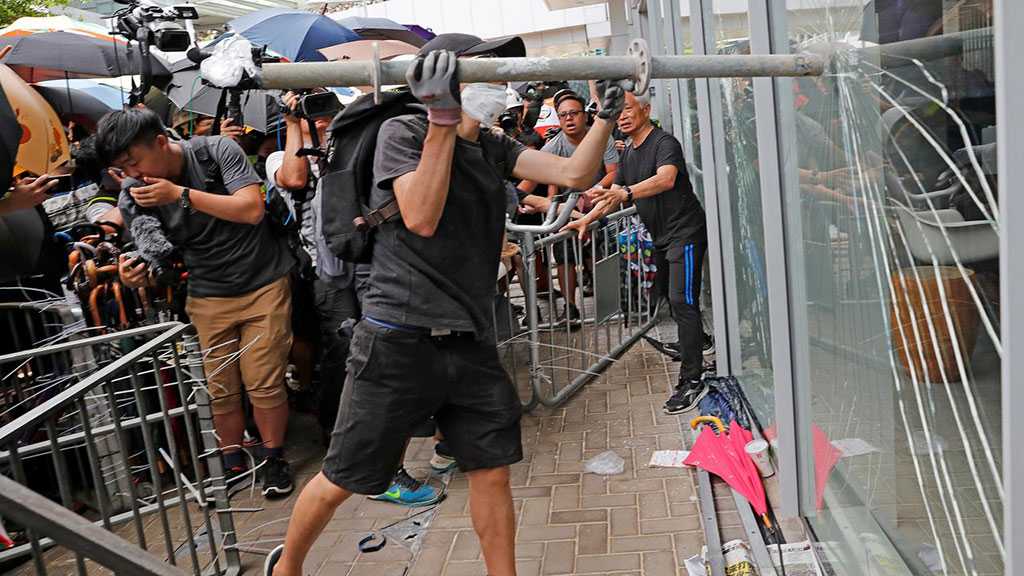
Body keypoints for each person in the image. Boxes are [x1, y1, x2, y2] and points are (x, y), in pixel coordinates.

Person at [264, 33, 631, 576]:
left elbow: (574, 174)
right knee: (345, 474)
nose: (502, 88)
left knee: (491, 469)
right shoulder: (404, 130)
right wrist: (440, 120)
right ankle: (288, 567)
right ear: (449, 80)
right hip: (398, 335)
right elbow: (421, 215)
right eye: (489, 74)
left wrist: (605, 115)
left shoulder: (489, 142)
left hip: (469, 335)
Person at [99, 108, 296, 498]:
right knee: (219, 387)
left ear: (159, 142)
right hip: (206, 294)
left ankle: (273, 458)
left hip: (264, 283)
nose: (133, 174)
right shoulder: (134, 193)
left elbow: (251, 209)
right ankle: (232, 459)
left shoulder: (216, 150)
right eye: (122, 169)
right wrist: (136, 271)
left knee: (264, 382)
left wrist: (179, 195)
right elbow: (152, 250)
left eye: (134, 161)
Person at [266, 89, 445, 507]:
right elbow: (292, 179)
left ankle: (380, 464)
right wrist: (296, 124)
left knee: (390, 365)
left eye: (329, 108)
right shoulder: (286, 156)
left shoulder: (358, 144)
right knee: (358, 369)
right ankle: (367, 466)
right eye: (315, 111)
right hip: (330, 280)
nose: (324, 117)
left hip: (373, 268)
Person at [564, 90, 710, 415]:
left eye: (628, 109)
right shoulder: (629, 152)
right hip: (661, 236)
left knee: (682, 301)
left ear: (645, 109)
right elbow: (616, 193)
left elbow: (665, 179)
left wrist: (627, 192)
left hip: (684, 233)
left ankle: (692, 379)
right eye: (618, 112)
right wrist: (586, 219)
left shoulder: (664, 143)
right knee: (670, 298)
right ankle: (697, 343)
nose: (623, 116)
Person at [518, 89, 619, 322]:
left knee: (599, 254)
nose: (568, 119)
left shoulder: (602, 137)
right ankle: (570, 307)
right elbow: (532, 177)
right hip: (568, 211)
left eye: (574, 113)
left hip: (598, 207)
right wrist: (512, 196)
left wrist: (592, 192)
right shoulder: (553, 146)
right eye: (563, 115)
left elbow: (613, 173)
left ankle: (610, 303)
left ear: (585, 115)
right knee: (564, 257)